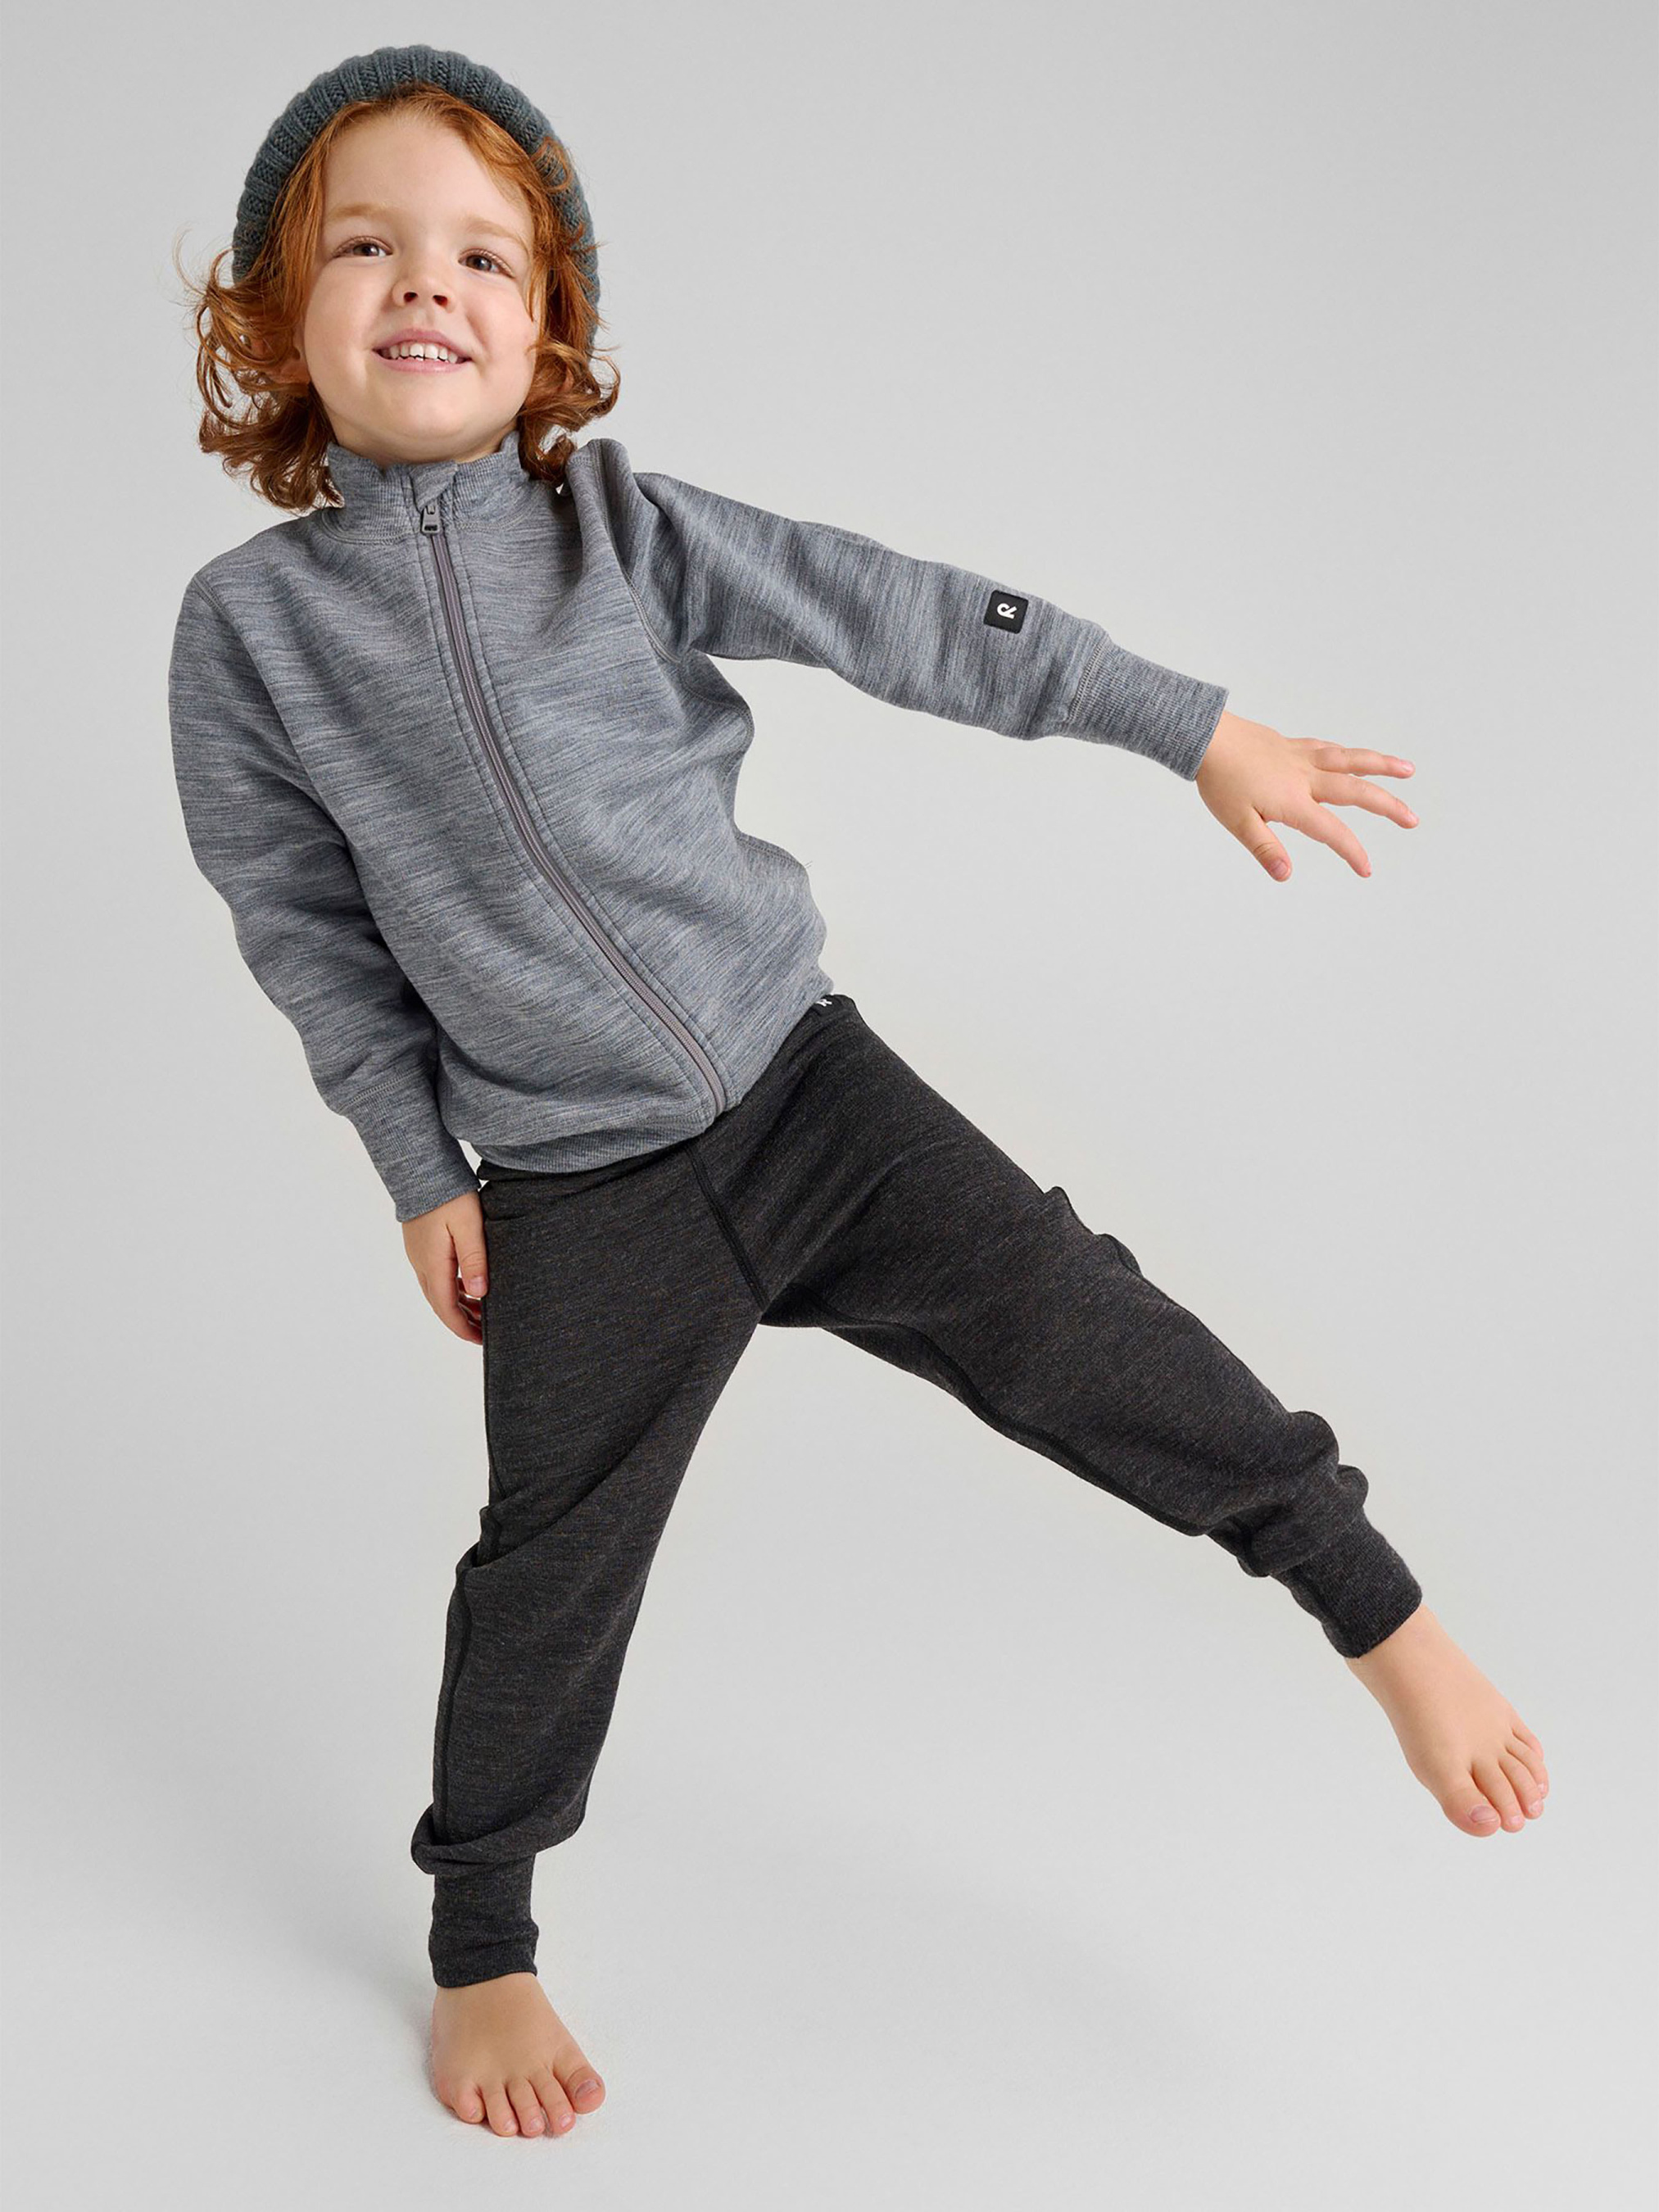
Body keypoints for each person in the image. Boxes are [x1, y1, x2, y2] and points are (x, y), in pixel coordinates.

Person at [168, 43, 1549, 2143]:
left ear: (548, 332)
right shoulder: (249, 634)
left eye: (483, 257)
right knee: (545, 1569)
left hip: (803, 1092)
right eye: (365, 247)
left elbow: (904, 617)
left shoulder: (620, 531)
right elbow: (301, 926)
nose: (425, 283)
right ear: (279, 322)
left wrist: (1188, 728)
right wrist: (413, 1168)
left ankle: (1375, 1614)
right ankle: (482, 1945)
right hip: (572, 1184)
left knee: (1084, 1325)